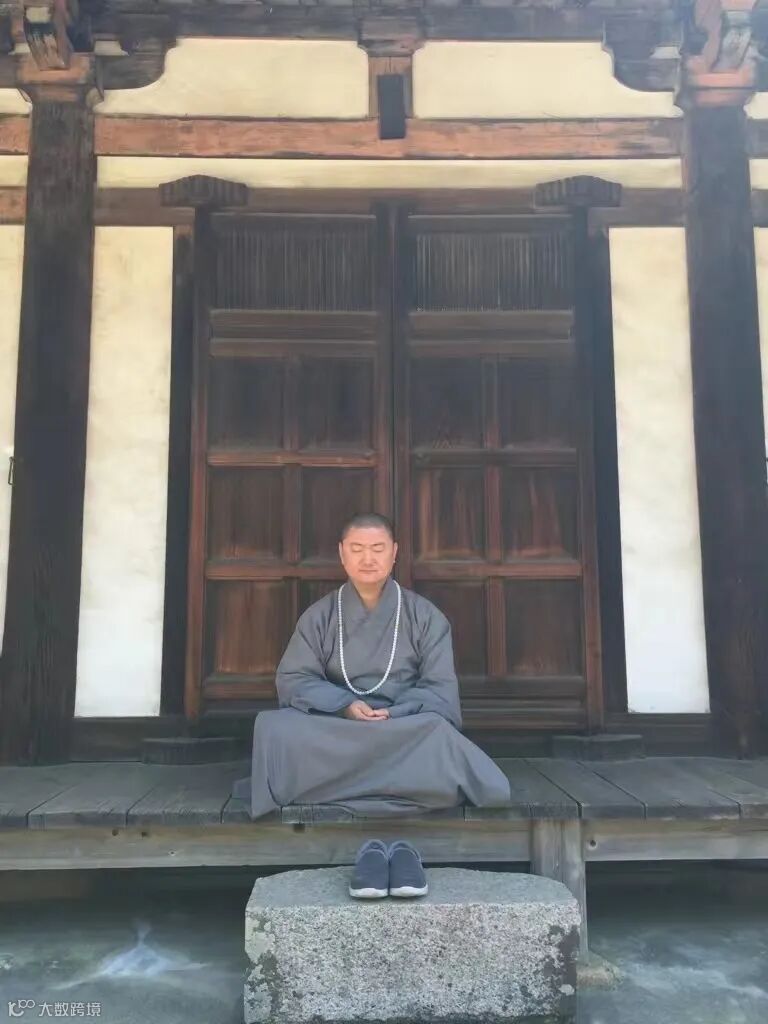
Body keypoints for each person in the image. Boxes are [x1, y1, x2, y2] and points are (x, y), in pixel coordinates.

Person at [232, 512, 512, 818]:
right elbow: (294, 678)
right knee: (274, 727)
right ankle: (400, 784)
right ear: (342, 553)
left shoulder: (425, 616)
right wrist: (345, 705)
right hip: (339, 725)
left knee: (436, 731)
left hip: (401, 726)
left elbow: (439, 688)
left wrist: (394, 713)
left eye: (378, 549)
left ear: (394, 552)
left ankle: (332, 785)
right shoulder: (320, 616)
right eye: (357, 549)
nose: (368, 559)